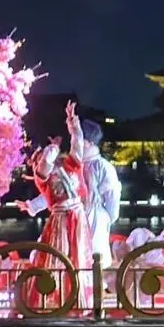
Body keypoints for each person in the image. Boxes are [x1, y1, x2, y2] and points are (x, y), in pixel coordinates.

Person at [19, 101, 121, 266]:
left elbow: (112, 196)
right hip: (68, 217)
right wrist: (33, 205)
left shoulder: (102, 166)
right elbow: (57, 191)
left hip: (93, 216)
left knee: (92, 259)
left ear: (90, 143)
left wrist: (107, 217)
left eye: (83, 140)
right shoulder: (70, 165)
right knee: (67, 258)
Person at [25, 138, 93, 309]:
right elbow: (46, 162)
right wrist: (54, 146)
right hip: (60, 220)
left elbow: (77, 147)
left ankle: (79, 301)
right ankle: (54, 300)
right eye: (38, 158)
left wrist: (74, 127)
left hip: (77, 217)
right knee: (57, 257)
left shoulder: (69, 165)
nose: (42, 159)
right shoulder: (42, 176)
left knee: (78, 257)